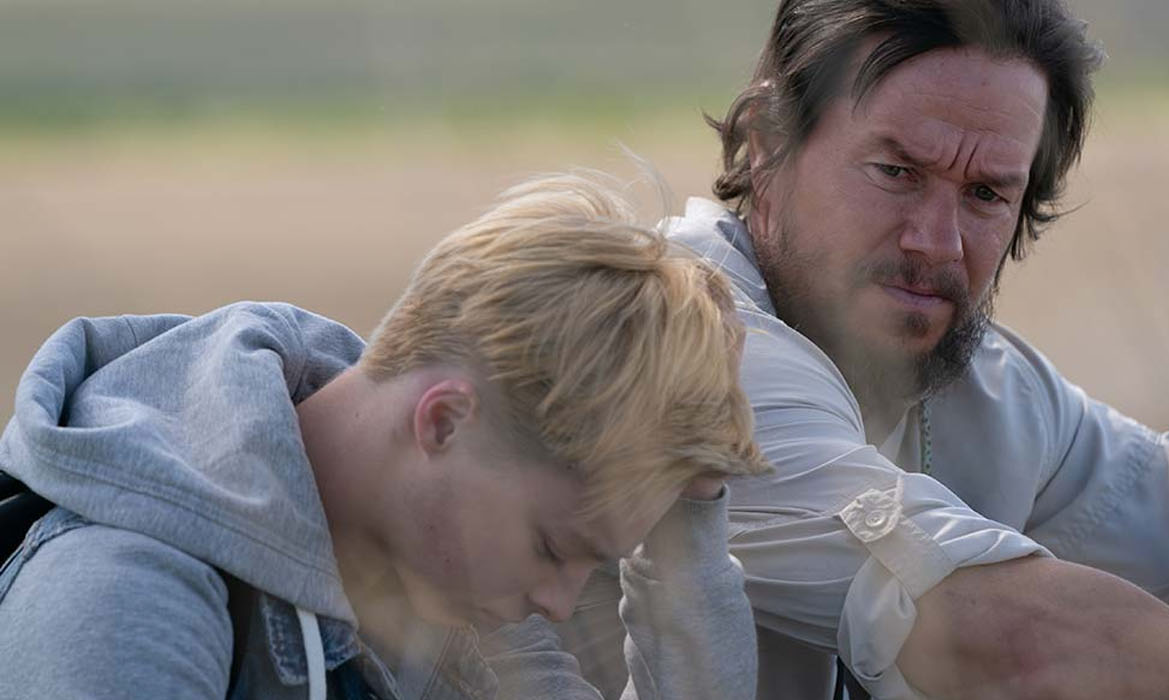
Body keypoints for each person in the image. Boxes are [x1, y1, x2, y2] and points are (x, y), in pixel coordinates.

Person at [553, 1, 1169, 698]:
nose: (937, 243)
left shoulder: (979, 385)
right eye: (896, 171)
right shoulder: (682, 335)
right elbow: (1000, 635)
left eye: (985, 192)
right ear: (767, 144)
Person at [0, 173, 770, 699]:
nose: (559, 603)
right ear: (442, 421)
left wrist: (688, 522)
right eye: (551, 547)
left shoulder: (441, 599)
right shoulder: (122, 600)